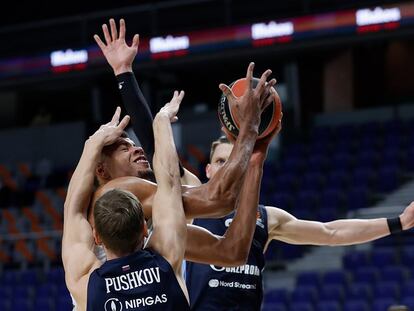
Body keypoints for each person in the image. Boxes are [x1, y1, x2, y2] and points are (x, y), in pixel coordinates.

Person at [94, 18, 414, 310]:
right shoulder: (192, 198)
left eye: (229, 160)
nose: (222, 167)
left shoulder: (264, 217)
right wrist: (125, 76)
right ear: (207, 171)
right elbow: (154, 146)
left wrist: (397, 222)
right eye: (218, 162)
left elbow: (330, 232)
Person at [63, 93, 272, 310]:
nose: (138, 148)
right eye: (125, 148)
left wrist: (92, 144)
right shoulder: (126, 196)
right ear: (144, 230)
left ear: (97, 237)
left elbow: (232, 252)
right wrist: (250, 129)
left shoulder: (85, 280)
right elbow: (218, 199)